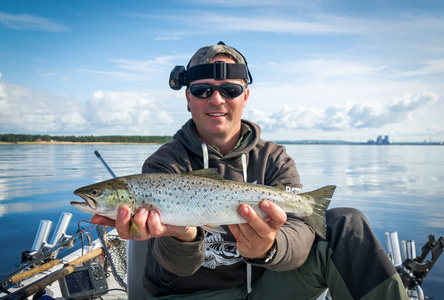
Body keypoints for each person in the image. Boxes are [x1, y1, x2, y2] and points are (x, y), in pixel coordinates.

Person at [91, 42, 409, 300]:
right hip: (190, 293)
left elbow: (300, 234)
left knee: (345, 224)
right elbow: (176, 266)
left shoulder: (275, 158)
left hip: (265, 287)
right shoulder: (163, 165)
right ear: (188, 98)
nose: (216, 99)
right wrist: (184, 234)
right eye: (202, 90)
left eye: (229, 89)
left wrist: (269, 248)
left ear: (245, 96)